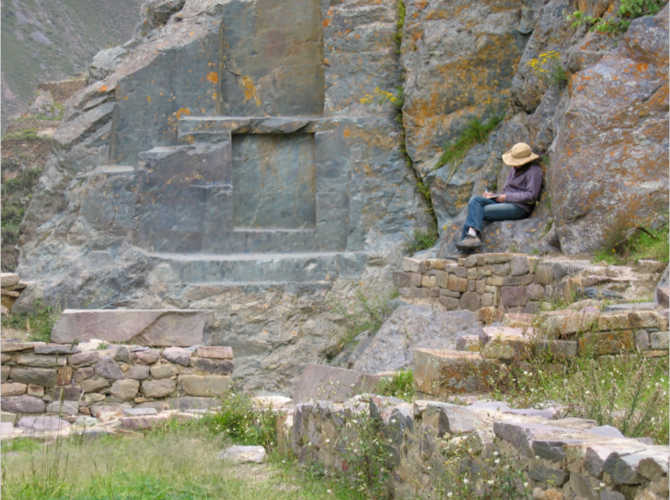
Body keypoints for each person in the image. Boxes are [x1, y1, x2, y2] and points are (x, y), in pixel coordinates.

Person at [456, 142, 544, 251]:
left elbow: (531, 196)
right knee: (475, 201)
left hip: (518, 208)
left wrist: (506, 197)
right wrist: (493, 196)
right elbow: (505, 191)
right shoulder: (514, 170)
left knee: (478, 211)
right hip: (505, 203)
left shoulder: (534, 172)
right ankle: (471, 237)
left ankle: (464, 248)